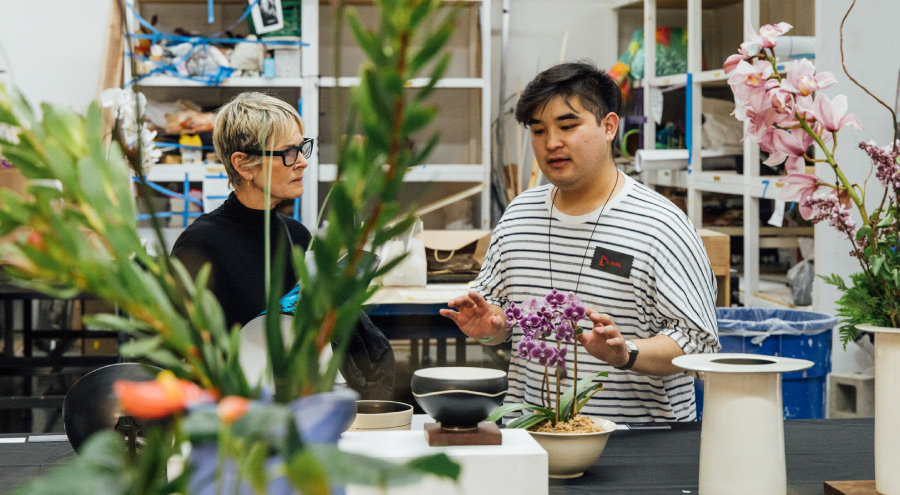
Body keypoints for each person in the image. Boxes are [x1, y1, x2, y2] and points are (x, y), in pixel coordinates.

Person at [441, 61, 719, 422]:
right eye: (538, 131)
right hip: (535, 438)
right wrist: (491, 328)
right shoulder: (519, 215)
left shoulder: (660, 224)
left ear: (608, 127)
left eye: (568, 126)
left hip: (637, 445)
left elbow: (698, 343)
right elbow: (496, 317)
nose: (551, 143)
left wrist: (626, 352)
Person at [172, 91, 393, 399]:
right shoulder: (200, 245)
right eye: (289, 153)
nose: (302, 162)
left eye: (302, 148)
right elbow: (184, 357)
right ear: (244, 165)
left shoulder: (296, 235)